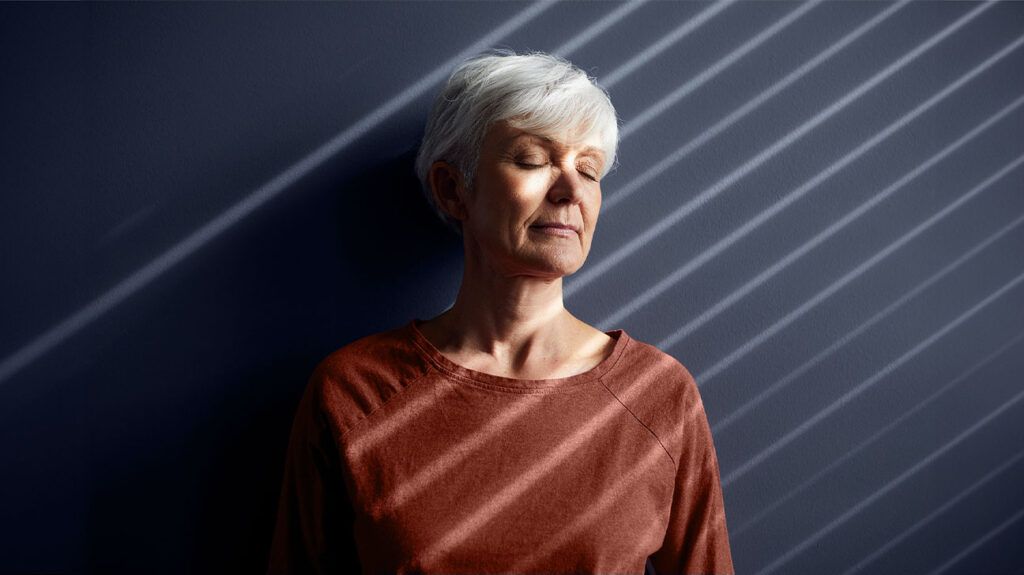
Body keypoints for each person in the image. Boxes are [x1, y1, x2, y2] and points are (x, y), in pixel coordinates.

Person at [267, 50, 734, 575]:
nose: (570, 191)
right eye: (533, 160)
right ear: (453, 188)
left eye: (589, 169)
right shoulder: (353, 391)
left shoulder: (659, 396)